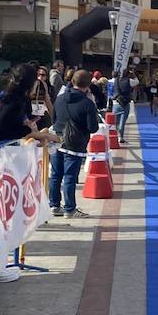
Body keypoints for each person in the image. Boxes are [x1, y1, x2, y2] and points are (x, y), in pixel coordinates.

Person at [50, 68, 101, 218]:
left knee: (55, 175)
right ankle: (70, 209)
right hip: (75, 143)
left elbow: (53, 118)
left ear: (72, 81)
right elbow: (93, 127)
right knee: (70, 177)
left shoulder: (59, 98)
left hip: (56, 139)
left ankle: (54, 205)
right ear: (88, 84)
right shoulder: (87, 104)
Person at [112, 66, 136, 140]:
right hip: (125, 103)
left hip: (116, 102)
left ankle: (114, 135)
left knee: (115, 121)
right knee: (122, 122)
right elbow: (137, 81)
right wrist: (134, 75)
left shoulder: (115, 80)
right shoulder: (129, 81)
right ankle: (120, 137)